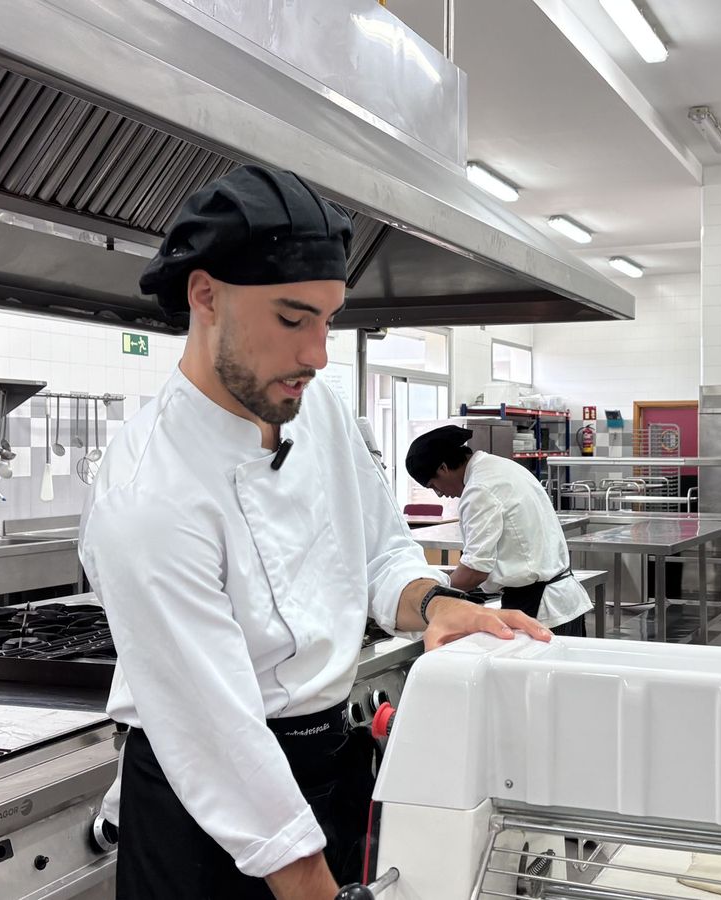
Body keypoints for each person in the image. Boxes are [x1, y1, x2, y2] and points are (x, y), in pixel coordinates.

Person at [79, 165, 551, 900]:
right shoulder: (149, 490)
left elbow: (380, 553)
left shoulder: (317, 408)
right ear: (205, 296)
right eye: (293, 319)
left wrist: (435, 605)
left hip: (325, 764)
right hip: (209, 813)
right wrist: (308, 883)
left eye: (329, 320)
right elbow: (215, 734)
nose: (318, 353)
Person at [406, 426, 593, 637]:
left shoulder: (479, 488)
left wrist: (431, 597)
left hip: (539, 610)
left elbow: (475, 570)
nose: (440, 494)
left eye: (434, 486)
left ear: (443, 468)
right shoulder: (501, 467)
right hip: (562, 602)